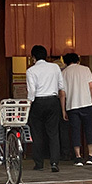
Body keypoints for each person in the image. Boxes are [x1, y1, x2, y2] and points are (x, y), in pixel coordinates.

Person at [26, 44, 65, 172]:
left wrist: (29, 105)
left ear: (33, 57)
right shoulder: (55, 67)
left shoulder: (31, 71)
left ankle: (39, 163)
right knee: (53, 133)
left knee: (37, 133)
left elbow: (32, 91)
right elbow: (61, 86)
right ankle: (54, 162)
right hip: (53, 101)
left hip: (38, 101)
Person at [61, 52, 92, 166]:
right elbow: (91, 87)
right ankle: (90, 155)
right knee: (90, 129)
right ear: (78, 60)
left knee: (75, 131)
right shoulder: (85, 69)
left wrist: (63, 110)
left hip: (72, 106)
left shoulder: (64, 73)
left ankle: (78, 157)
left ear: (65, 61)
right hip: (86, 104)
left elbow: (62, 93)